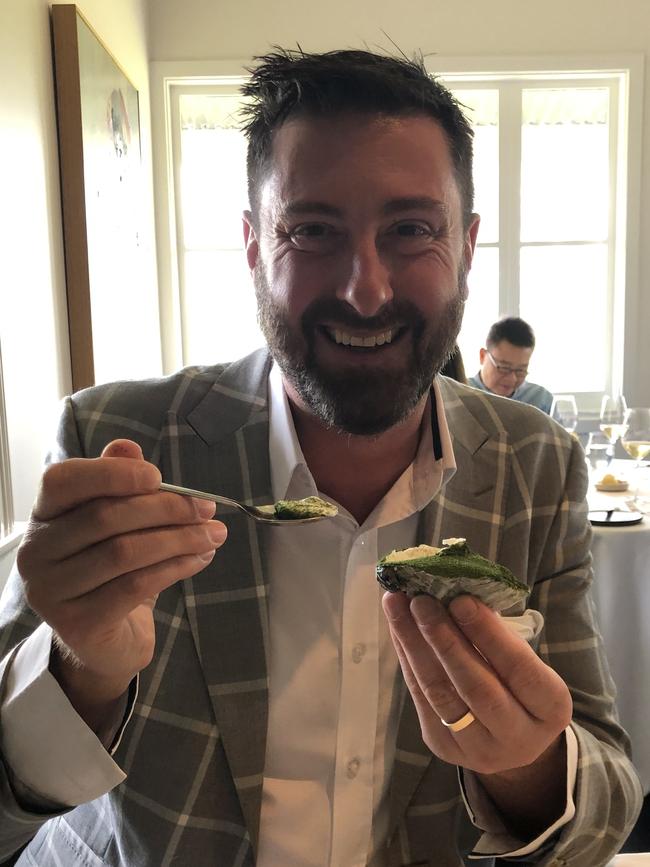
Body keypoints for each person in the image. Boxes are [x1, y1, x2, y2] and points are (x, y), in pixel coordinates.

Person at [0, 49, 641, 867]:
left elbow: (608, 800)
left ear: (469, 246)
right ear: (252, 244)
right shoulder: (116, 439)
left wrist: (522, 762)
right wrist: (80, 672)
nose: (364, 290)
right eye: (311, 230)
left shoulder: (535, 464)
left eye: (411, 229)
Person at [468, 316, 554, 413]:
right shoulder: (457, 392)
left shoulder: (541, 400)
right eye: (504, 368)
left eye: (520, 370)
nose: (512, 379)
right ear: (482, 356)